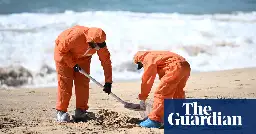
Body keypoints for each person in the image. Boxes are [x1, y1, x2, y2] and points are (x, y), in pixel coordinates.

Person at [54, 25, 113, 122]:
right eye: (96, 46)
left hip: (83, 58)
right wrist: (72, 64)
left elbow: (106, 62)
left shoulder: (100, 42)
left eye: (100, 45)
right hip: (64, 56)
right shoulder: (75, 36)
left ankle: (80, 111)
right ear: (90, 41)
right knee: (65, 82)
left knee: (83, 83)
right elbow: (61, 50)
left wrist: (108, 82)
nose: (98, 48)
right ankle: (61, 111)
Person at [132, 51, 191, 128]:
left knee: (161, 93)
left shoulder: (147, 58)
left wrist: (143, 97)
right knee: (178, 92)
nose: (143, 66)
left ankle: (154, 120)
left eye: (141, 65)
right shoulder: (157, 54)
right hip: (185, 66)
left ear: (139, 60)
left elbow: (147, 79)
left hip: (175, 67)